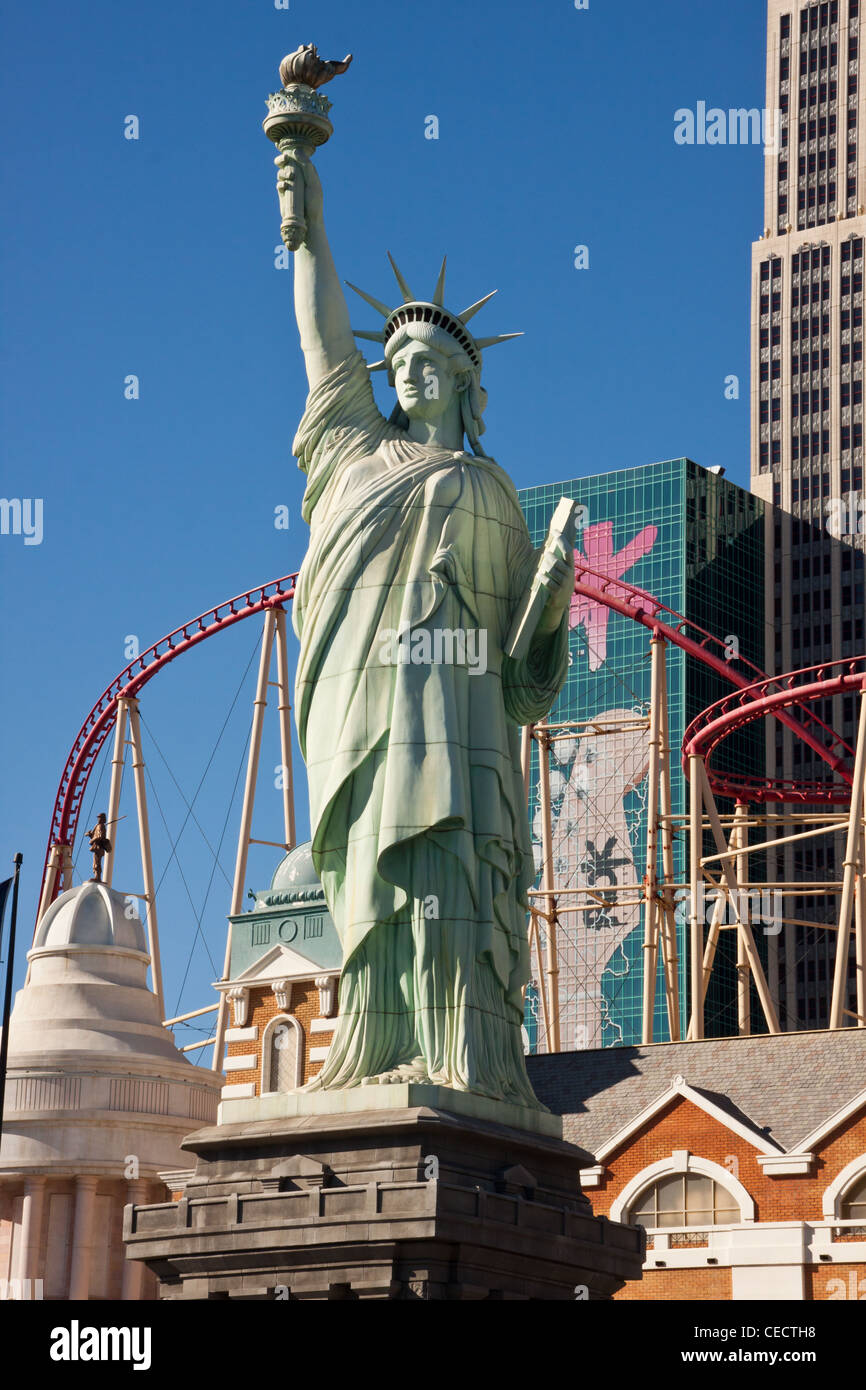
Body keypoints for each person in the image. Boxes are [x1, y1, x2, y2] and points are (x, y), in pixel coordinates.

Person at [286, 155, 574, 1106]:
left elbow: (525, 680)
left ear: (463, 381)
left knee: (451, 885)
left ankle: (466, 1061)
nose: (405, 374)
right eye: (396, 363)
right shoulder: (357, 452)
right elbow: (325, 338)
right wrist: (305, 195)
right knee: (373, 881)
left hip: (462, 729)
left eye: (426, 364)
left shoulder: (492, 493)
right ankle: (376, 1049)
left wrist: (554, 602)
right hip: (369, 717)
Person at [86, 813, 112, 883]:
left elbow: (100, 837)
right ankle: (96, 876)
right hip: (96, 846)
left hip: (99, 847)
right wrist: (90, 835)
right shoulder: (98, 826)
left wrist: (92, 840)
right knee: (95, 862)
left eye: (99, 817)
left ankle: (97, 877)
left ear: (103, 819)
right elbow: (95, 835)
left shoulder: (101, 826)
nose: (98, 819)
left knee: (97, 862)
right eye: (98, 817)